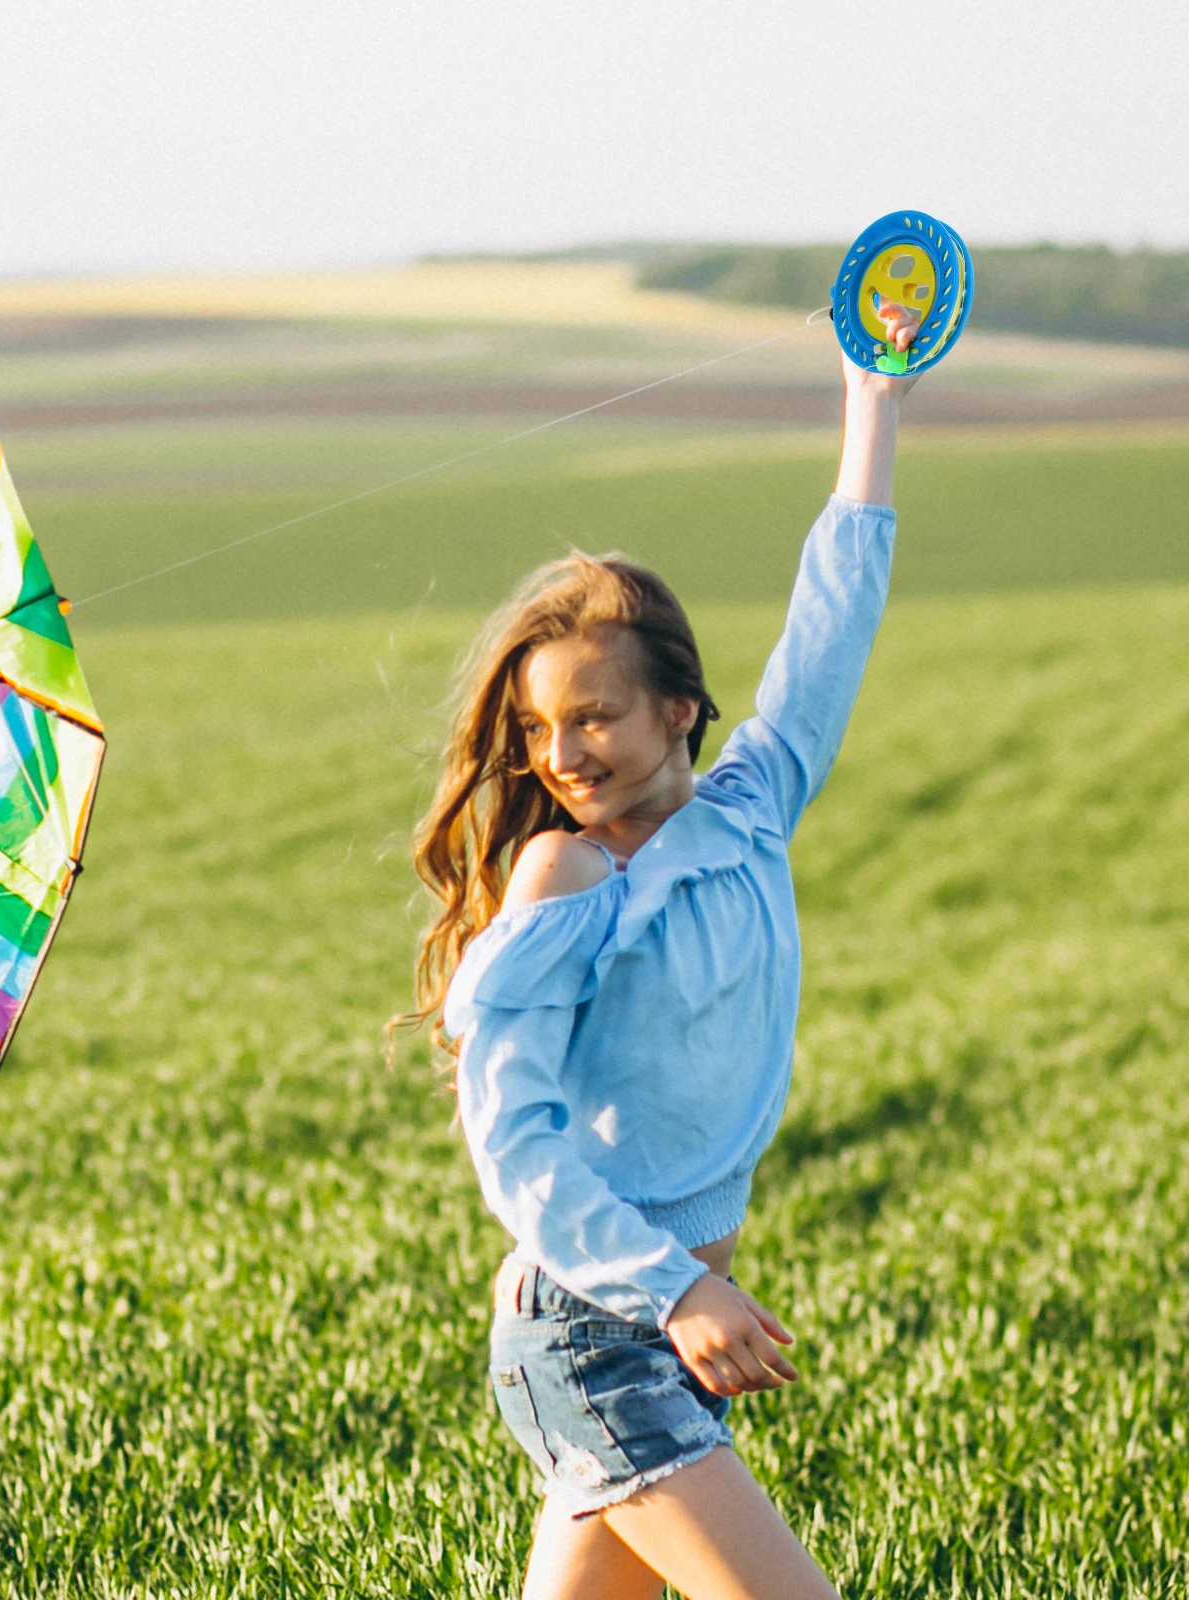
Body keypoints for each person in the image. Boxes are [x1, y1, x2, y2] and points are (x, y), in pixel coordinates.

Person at [402, 301, 922, 1598]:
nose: (564, 754)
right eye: (540, 729)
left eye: (596, 717)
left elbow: (833, 625)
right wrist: (676, 1293)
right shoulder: (565, 873)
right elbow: (511, 1141)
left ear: (681, 709)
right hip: (597, 1327)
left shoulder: (751, 810)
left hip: (667, 1325)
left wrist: (874, 401)